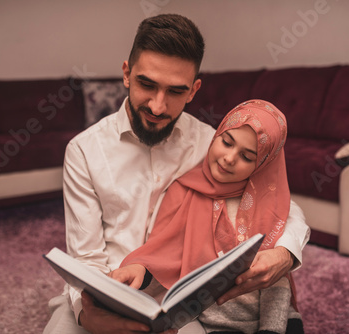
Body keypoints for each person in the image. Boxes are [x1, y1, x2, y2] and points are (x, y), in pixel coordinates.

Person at [43, 13, 310, 334]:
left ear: (194, 90)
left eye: (175, 91)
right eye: (147, 84)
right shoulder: (83, 150)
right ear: (126, 73)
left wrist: (285, 252)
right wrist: (89, 316)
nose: (158, 106)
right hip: (105, 290)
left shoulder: (213, 144)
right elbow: (86, 258)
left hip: (182, 301)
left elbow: (276, 200)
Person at [111, 100, 305, 334]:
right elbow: (163, 249)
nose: (230, 158)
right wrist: (139, 268)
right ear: (217, 135)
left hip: (272, 315)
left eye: (247, 157)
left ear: (262, 164)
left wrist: (270, 330)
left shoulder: (268, 201)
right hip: (213, 322)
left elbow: (277, 278)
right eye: (226, 142)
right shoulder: (183, 191)